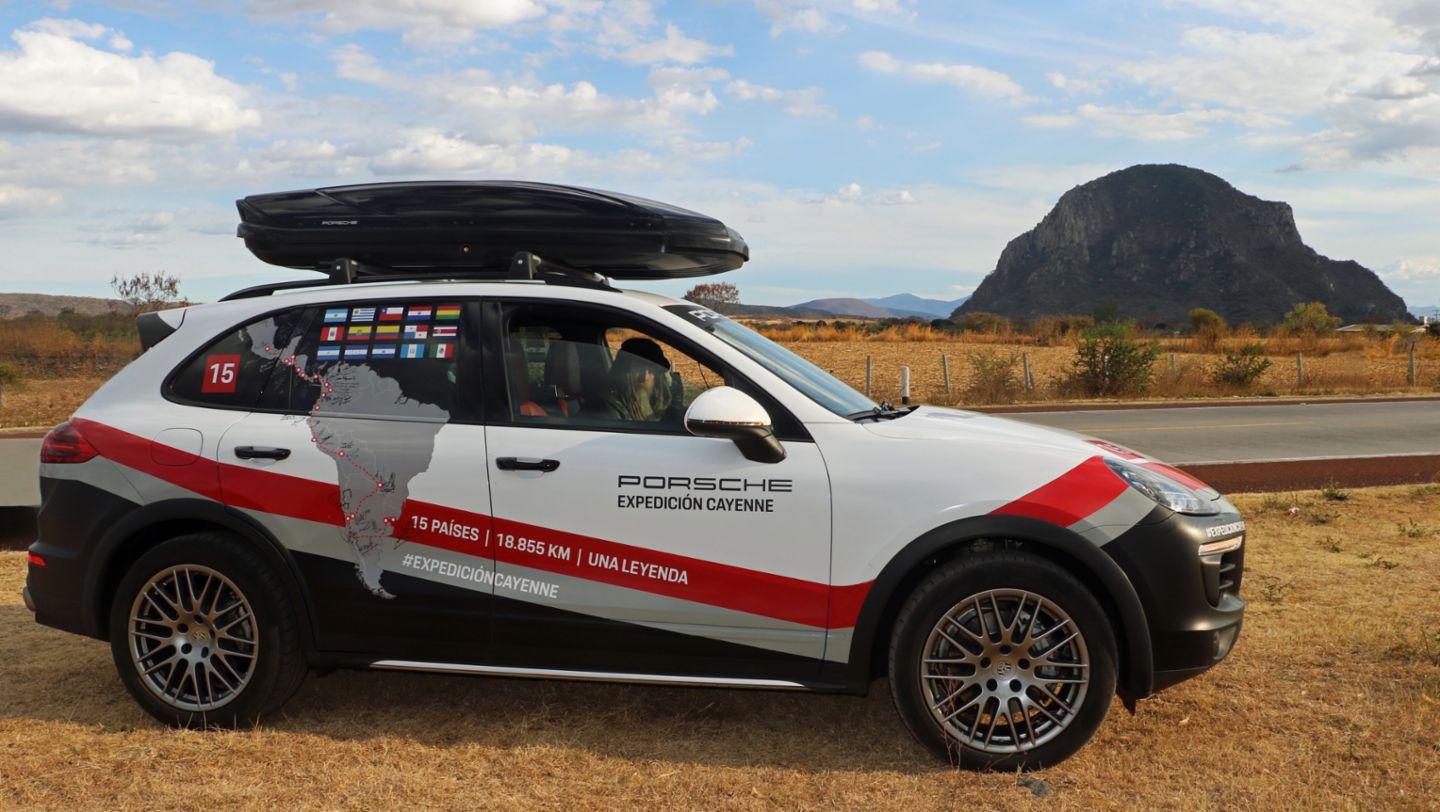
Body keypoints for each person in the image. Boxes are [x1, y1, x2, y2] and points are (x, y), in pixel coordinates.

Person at [601, 337, 673, 421]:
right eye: (639, 368)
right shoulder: (609, 407)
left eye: (651, 371)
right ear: (623, 370)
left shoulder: (660, 400)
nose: (644, 377)